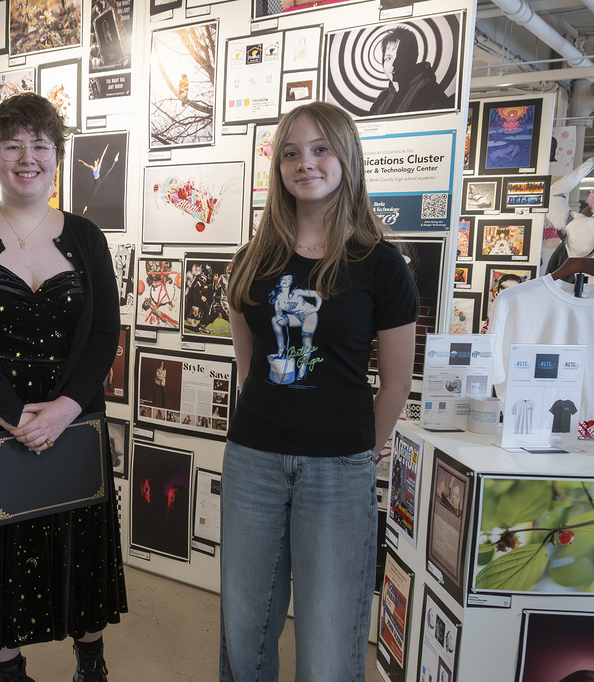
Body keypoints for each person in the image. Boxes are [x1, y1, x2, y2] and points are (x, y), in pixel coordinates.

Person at [0, 92, 126, 682]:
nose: (27, 157)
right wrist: (11, 415)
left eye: (40, 144)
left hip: (71, 422)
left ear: (58, 156)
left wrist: (62, 410)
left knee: (76, 547)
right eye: (12, 144)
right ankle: (9, 671)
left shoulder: (87, 237)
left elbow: (104, 331)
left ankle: (91, 664)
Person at [221, 101, 418, 682]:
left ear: (346, 157)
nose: (305, 163)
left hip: (339, 468)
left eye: (320, 148)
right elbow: (250, 363)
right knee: (244, 624)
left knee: (331, 634)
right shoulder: (253, 260)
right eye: (290, 152)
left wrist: (361, 449)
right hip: (253, 459)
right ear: (278, 168)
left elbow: (398, 381)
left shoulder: (381, 265)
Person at [368, 25, 453, 116]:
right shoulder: (383, 97)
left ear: (413, 57)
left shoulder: (429, 91)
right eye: (388, 58)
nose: (393, 64)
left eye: (400, 57)